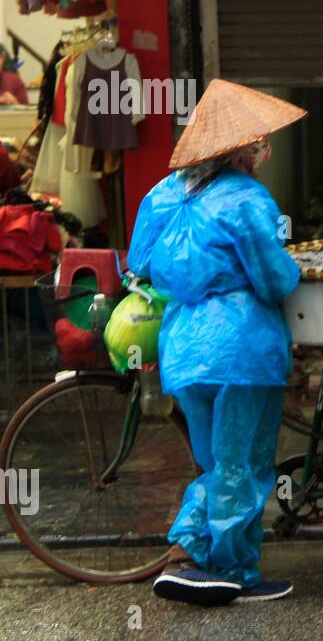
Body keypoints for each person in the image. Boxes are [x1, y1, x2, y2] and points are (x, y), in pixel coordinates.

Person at [128, 79, 307, 607]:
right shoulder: (249, 198)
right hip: (242, 350)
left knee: (216, 463)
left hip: (182, 349)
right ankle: (226, 569)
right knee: (244, 465)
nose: (263, 153)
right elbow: (274, 280)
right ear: (243, 150)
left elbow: (138, 263)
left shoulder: (160, 195)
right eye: (259, 145)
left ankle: (200, 556)